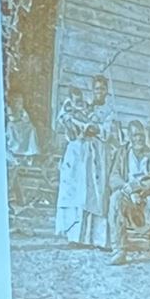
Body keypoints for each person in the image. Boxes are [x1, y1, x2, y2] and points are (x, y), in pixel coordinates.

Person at [53, 76, 111, 248]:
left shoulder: (109, 110)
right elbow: (68, 123)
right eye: (96, 89)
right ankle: (74, 237)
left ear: (106, 91)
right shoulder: (84, 106)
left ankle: (94, 239)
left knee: (94, 195)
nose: (99, 92)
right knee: (76, 194)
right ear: (92, 90)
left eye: (102, 89)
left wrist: (90, 127)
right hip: (79, 155)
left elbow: (105, 132)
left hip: (96, 155)